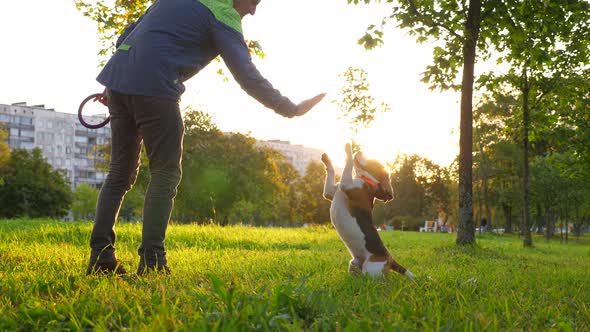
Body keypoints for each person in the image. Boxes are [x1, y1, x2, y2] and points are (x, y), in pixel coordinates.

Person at [86, 0, 326, 276]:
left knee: (119, 174)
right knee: (165, 172)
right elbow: (247, 76)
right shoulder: (223, 14)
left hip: (118, 81)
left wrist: (122, 79)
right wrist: (290, 108)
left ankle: (101, 259)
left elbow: (125, 37)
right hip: (156, 88)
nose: (253, 10)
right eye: (253, 1)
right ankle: (153, 262)